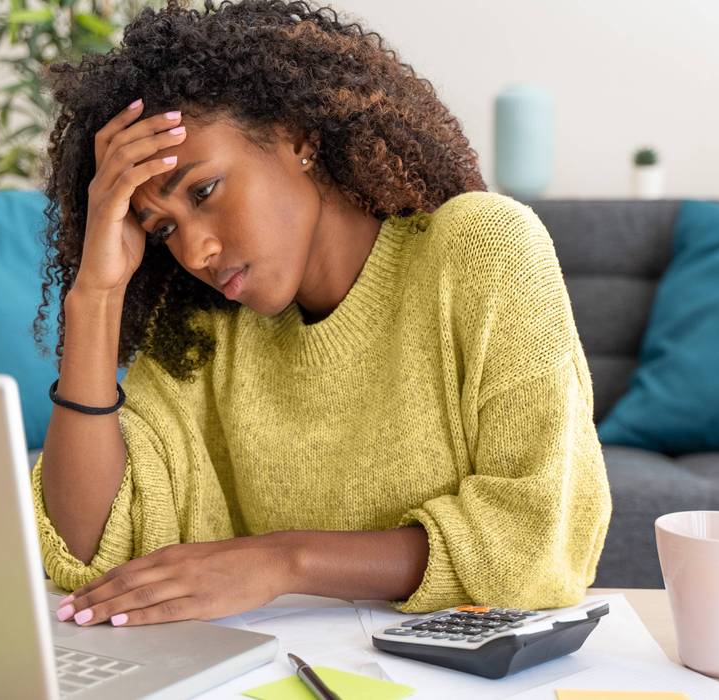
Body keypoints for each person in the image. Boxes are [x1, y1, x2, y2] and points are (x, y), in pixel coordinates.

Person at [31, 0, 612, 630]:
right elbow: (86, 551)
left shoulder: (483, 248)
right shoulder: (204, 326)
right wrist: (95, 297)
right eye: (163, 227)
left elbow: (546, 542)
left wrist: (286, 561)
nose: (195, 250)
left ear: (299, 139)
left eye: (204, 191)